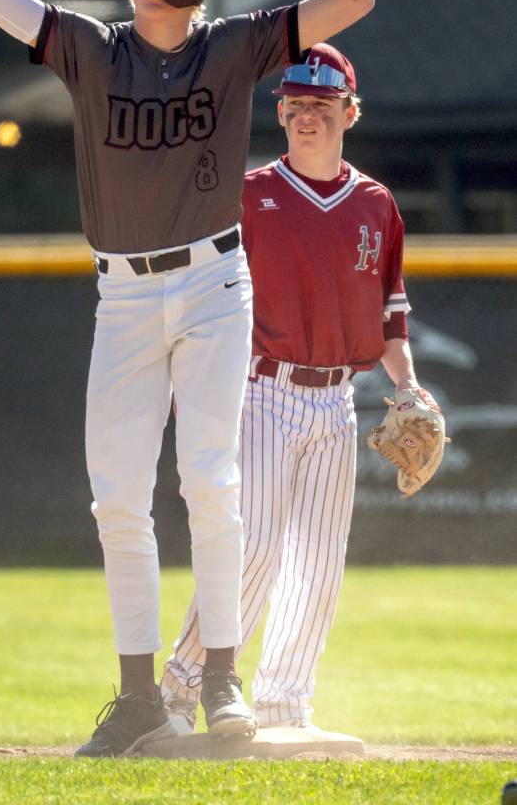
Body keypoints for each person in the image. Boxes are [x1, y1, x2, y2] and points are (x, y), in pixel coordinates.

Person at [0, 0, 374, 757]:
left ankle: (221, 677)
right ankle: (140, 696)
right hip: (124, 297)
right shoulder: (92, 50)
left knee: (210, 482)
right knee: (116, 498)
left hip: (217, 282)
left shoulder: (231, 47)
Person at [160, 41, 423, 734]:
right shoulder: (248, 195)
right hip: (261, 390)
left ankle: (283, 704)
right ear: (280, 113)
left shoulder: (375, 204)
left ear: (349, 112)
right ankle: (181, 687)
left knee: (317, 560)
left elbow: (390, 313)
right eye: (294, 104)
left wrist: (408, 392)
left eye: (320, 104)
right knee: (255, 548)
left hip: (337, 399)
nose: (306, 115)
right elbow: (200, 299)